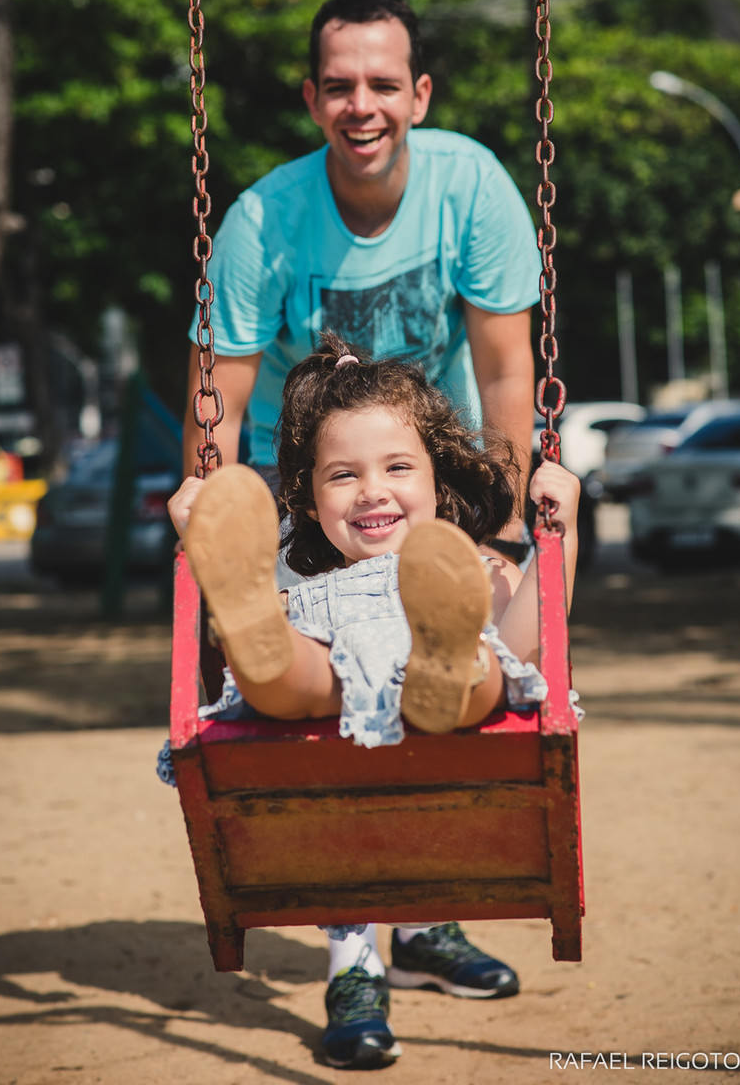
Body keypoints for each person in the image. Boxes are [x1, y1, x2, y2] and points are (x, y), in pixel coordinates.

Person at [177, 0, 543, 1068]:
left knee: (440, 654)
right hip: (315, 495)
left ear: (418, 93)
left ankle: (420, 925)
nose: (362, 105)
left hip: (439, 483)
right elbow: (222, 391)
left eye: (383, 83)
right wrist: (211, 499)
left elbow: (502, 366)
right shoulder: (260, 219)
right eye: (338, 86)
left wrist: (513, 521)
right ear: (309, 98)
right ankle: (366, 948)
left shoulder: (470, 187)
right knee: (324, 692)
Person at [165, 334, 580, 1069]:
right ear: (307, 496)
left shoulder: (468, 567)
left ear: (438, 475)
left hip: (443, 689)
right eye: (341, 476)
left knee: (487, 669)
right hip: (329, 681)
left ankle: (445, 663)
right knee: (292, 679)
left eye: (396, 467)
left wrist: (559, 534)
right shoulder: (303, 583)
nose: (371, 491)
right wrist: (207, 548)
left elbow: (532, 645)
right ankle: (253, 633)